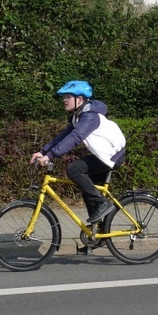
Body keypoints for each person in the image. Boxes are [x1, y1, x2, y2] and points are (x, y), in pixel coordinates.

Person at [30, 80, 126, 224]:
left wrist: (50, 156)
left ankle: (102, 203)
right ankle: (96, 232)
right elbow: (63, 136)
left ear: (79, 99)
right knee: (87, 189)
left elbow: (75, 138)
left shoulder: (90, 117)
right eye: (64, 97)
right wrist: (43, 151)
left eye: (68, 96)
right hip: (105, 156)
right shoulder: (79, 116)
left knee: (74, 169)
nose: (64, 100)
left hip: (113, 157)